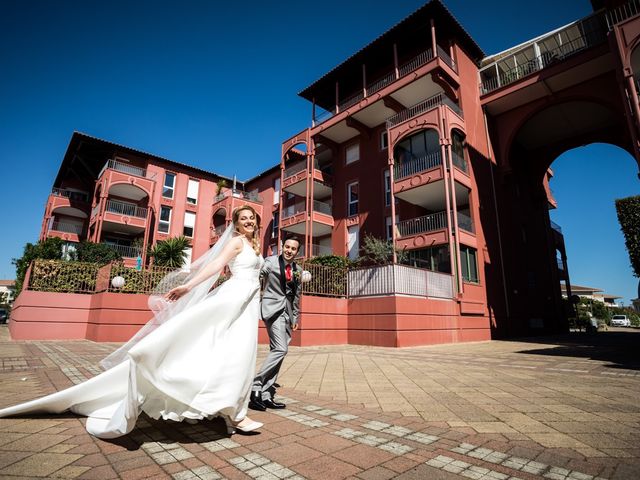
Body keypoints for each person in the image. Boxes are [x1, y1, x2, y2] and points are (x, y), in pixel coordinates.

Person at [0, 205, 264, 438]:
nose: (249, 222)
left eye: (251, 218)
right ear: (236, 224)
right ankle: (234, 413)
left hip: (249, 303)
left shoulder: (255, 245)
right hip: (231, 299)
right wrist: (189, 286)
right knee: (216, 343)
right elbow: (215, 265)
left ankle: (228, 407)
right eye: (243, 219)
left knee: (238, 353)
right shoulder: (237, 242)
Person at [249, 234, 301, 411]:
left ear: (297, 252)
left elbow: (295, 296)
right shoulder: (270, 262)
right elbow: (256, 277)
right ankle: (256, 385)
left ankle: (266, 394)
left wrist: (295, 317)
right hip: (272, 310)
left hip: (287, 315)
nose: (289, 251)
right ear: (282, 246)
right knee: (281, 349)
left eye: (293, 249)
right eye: (287, 247)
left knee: (279, 353)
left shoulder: (298, 270)